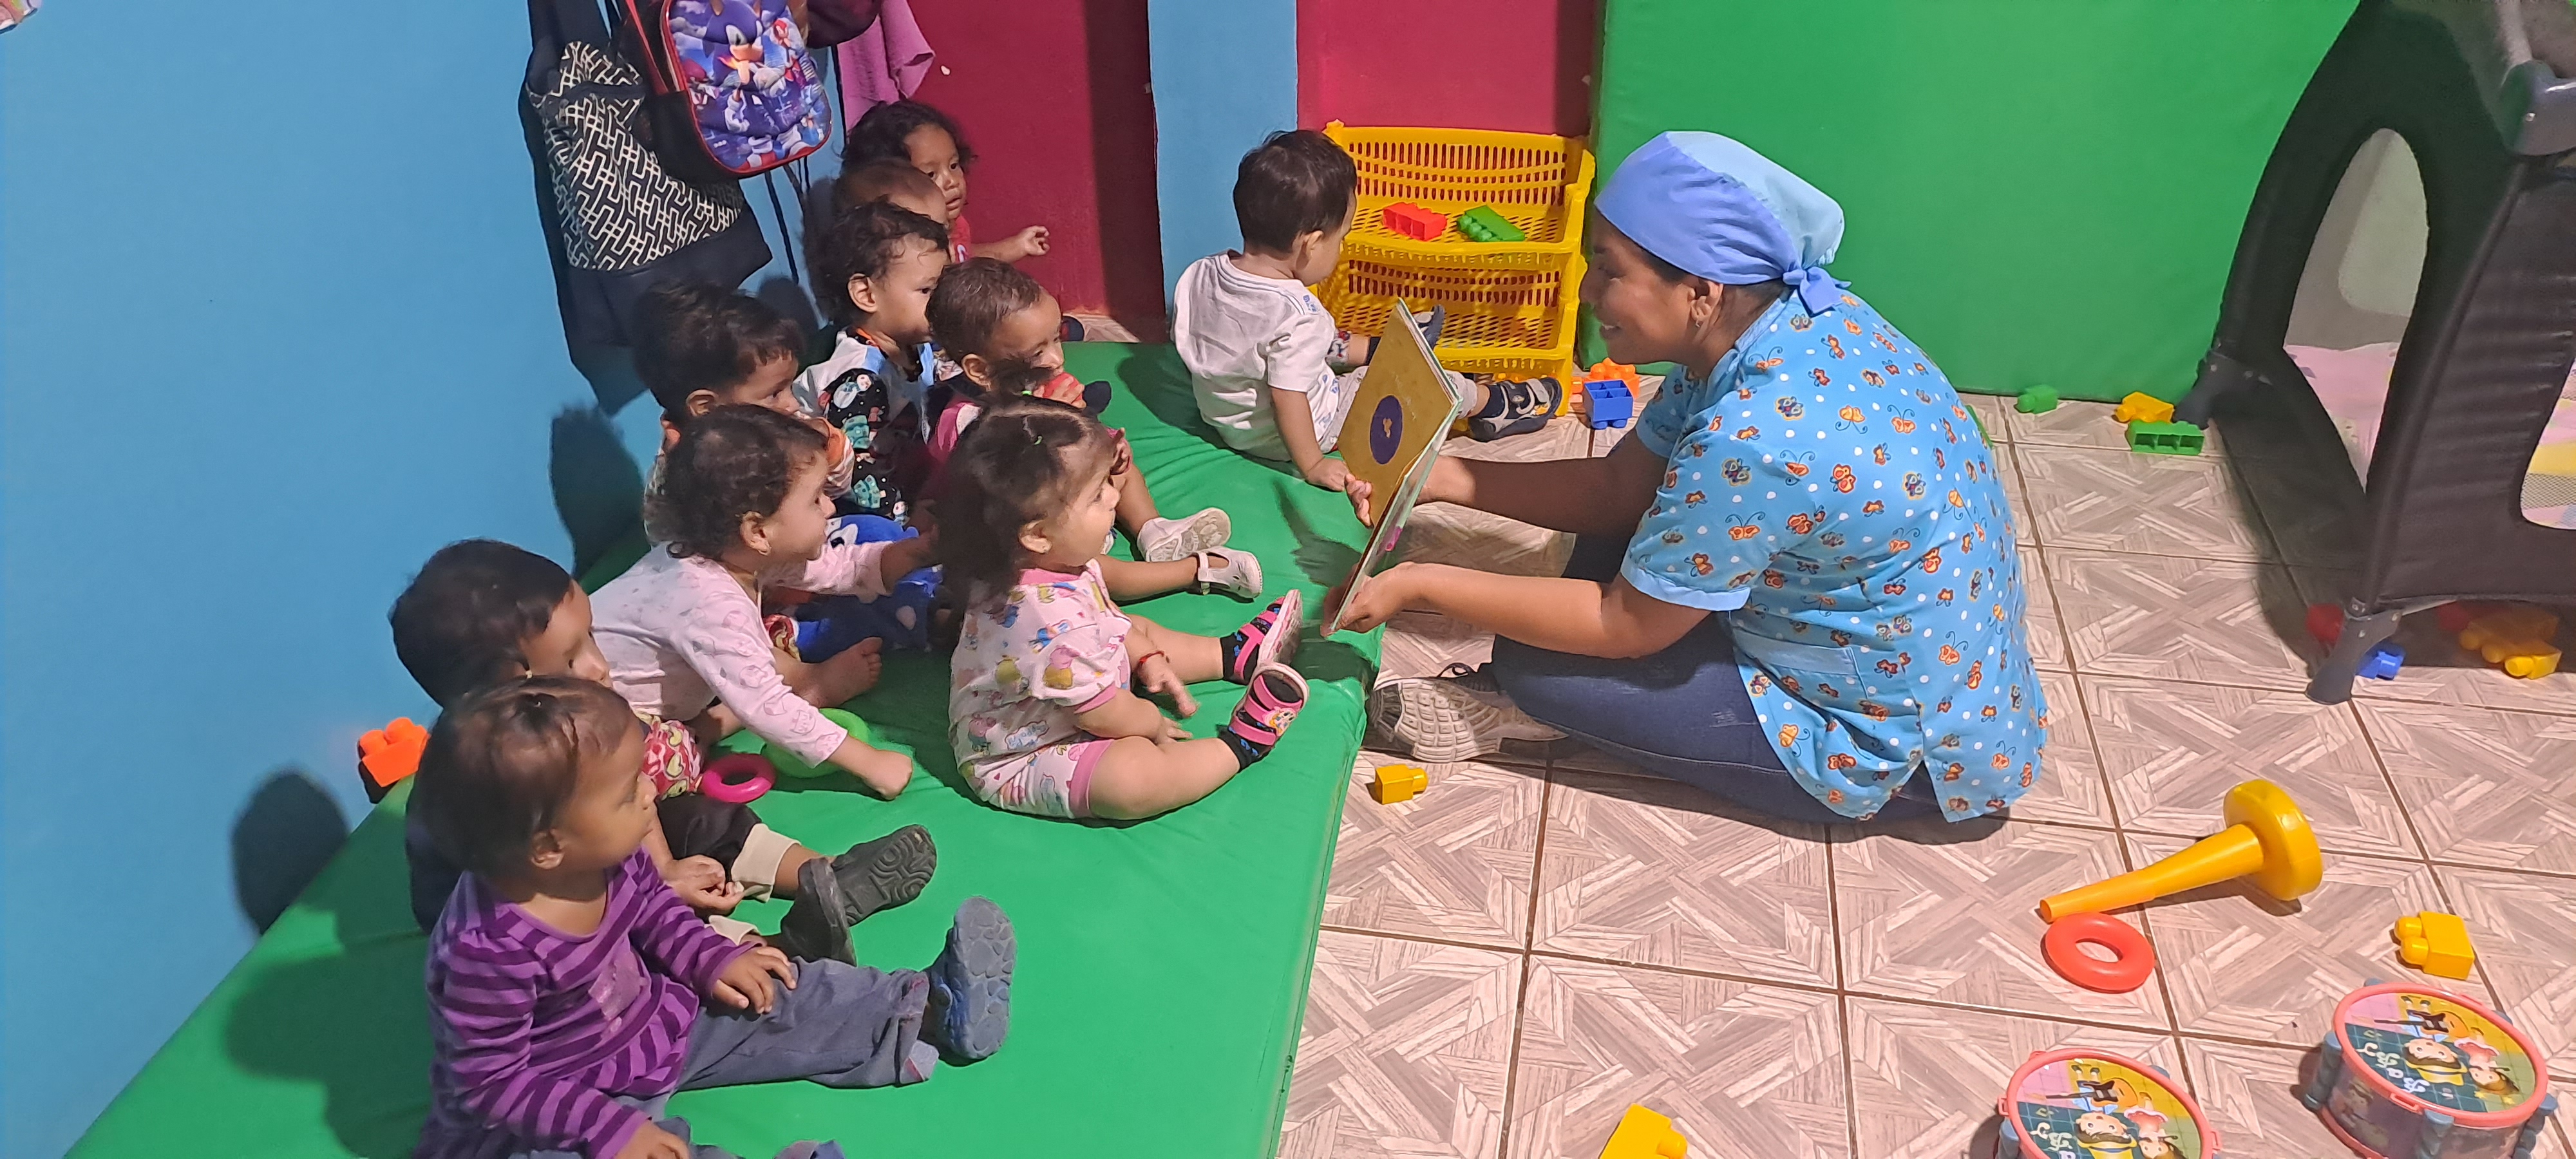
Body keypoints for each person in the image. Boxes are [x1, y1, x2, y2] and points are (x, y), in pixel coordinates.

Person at [1334, 132, 2048, 825]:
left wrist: (1421, 584)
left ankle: (1532, 714)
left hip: (1898, 749)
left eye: (1610, 271)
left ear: (1701, 292)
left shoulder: (1754, 437)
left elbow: (1624, 625)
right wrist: (1442, 476)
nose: (1587, 291)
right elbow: (1618, 491)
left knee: (1536, 665)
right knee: (1619, 533)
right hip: (1908, 658)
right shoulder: (1784, 322)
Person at [410, 677, 1014, 1159]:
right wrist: (606, 1129)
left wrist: (711, 957)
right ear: (548, 847)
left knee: (779, 987)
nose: (650, 794)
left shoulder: (609, 854)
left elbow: (655, 910)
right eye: (626, 793)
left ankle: (925, 1009)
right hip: (561, 1097)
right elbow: (490, 1083)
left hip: (655, 1021)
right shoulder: (488, 950)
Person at [389, 539, 936, 964]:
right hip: (539, 914)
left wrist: (667, 864)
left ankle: (826, 875)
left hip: (599, 840)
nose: (600, 667)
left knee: (698, 816)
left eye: (592, 638)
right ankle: (765, 950)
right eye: (573, 659)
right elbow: (559, 888)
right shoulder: (495, 784)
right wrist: (659, 886)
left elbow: (639, 792)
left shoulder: (575, 710)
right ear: (513, 687)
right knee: (623, 925)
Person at [940, 397, 1310, 820]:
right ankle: (1240, 745)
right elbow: (1103, 716)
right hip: (1023, 755)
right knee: (1131, 777)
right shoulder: (1050, 623)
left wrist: (1147, 657)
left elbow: (1106, 620)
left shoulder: (1042, 563)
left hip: (1069, 688)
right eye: (1097, 495)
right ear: (1039, 535)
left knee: (1133, 628)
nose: (1116, 496)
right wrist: (1150, 722)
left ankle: (1234, 655)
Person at [1171, 129, 1561, 502]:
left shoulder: (1202, 273)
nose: (1341, 248)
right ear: (1311, 245)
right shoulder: (1299, 315)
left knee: (1306, 342)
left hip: (1231, 424)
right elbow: (1286, 395)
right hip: (1299, 432)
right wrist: (1312, 463)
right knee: (1417, 381)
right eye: (1341, 239)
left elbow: (1202, 337)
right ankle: (1489, 404)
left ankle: (1378, 348)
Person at [594, 407, 933, 800]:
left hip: (687, 685)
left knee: (767, 636)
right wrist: (871, 763)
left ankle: (746, 707)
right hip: (612, 716)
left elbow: (845, 569)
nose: (830, 508)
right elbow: (765, 704)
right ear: (757, 531)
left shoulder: (733, 554)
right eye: (815, 499)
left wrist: (922, 551)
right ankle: (746, 712)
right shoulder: (706, 600)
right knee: (663, 764)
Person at [925, 258, 1262, 601]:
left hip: (1076, 507)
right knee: (1092, 573)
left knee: (1124, 470)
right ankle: (1194, 571)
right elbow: (1002, 499)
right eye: (1037, 351)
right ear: (980, 369)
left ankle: (1153, 530)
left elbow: (1079, 452)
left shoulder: (1030, 387)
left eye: (1056, 339)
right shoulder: (967, 423)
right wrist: (1052, 421)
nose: (1056, 359)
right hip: (1027, 539)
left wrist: (1102, 447)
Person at [632, 281, 886, 706]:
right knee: (738, 640)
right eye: (773, 394)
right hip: (744, 596)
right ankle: (806, 672)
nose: (791, 404)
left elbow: (839, 487)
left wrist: (828, 450)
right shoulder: (679, 483)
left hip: (797, 560)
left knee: (874, 534)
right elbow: (693, 578)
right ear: (706, 409)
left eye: (790, 387)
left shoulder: (777, 432)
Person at [799, 200, 950, 524]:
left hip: (905, 482)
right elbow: (857, 480)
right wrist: (907, 523)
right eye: (927, 290)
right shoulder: (859, 379)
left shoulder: (914, 344)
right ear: (867, 295)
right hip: (850, 513)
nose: (943, 302)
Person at [844, 99, 1046, 265]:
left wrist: (1017, 246)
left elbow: (964, 256)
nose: (951, 181)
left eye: (953, 165)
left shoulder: (955, 225)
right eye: (931, 175)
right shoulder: (909, 252)